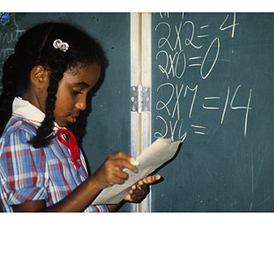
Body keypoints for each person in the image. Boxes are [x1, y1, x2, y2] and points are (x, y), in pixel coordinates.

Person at [0, 22, 160, 212]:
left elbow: (80, 209)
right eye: (77, 91)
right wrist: (94, 183)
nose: (83, 105)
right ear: (40, 77)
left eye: (88, 94)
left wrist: (120, 194)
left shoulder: (60, 136)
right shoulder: (21, 137)